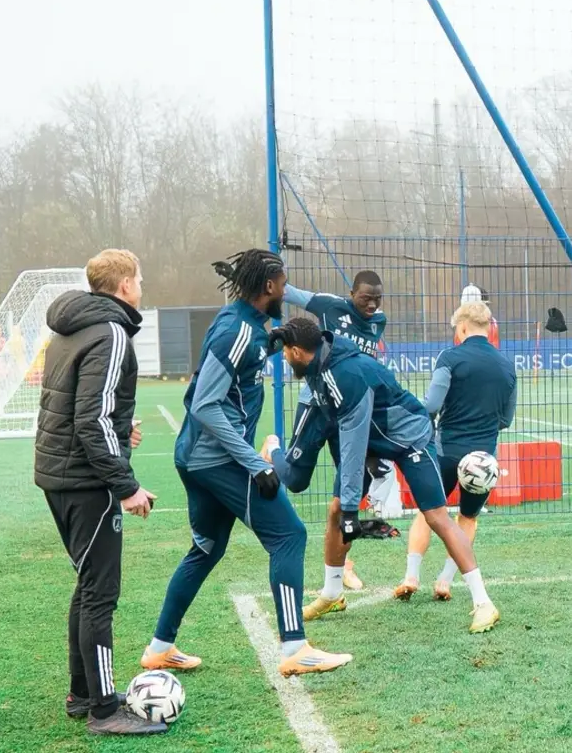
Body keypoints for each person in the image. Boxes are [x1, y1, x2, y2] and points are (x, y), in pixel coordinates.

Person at [145, 250, 351, 677]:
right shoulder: (237, 330)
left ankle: (159, 646)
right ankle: (295, 647)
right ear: (269, 287)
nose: (287, 289)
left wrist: (271, 345)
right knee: (289, 536)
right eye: (283, 282)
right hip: (217, 458)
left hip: (196, 458)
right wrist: (254, 464)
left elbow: (241, 364)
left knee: (206, 548)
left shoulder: (247, 325)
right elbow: (205, 404)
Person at [269, 316, 499, 633]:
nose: (282, 358)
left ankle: (484, 602)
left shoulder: (345, 374)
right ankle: (332, 593)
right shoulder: (320, 369)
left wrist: (353, 508)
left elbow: (352, 437)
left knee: (435, 515)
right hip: (372, 443)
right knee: (336, 510)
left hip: (410, 439)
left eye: (284, 352)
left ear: (296, 351)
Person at [34, 250, 164, 735]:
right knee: (100, 595)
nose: (143, 286)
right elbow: (89, 421)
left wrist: (119, 426)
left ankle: (81, 692)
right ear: (125, 283)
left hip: (59, 475)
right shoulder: (110, 331)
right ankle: (106, 710)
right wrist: (126, 486)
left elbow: (77, 409)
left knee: (87, 586)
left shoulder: (71, 328)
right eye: (140, 278)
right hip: (88, 482)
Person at [396, 301, 516, 601]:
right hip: (483, 458)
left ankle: (411, 575)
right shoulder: (507, 366)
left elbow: (433, 405)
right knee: (468, 517)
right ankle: (445, 581)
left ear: (462, 327)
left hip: (447, 451)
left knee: (429, 512)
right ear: (488, 328)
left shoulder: (450, 357)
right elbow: (506, 419)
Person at [283, 270, 388, 591]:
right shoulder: (330, 307)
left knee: (349, 491)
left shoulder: (378, 321)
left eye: (376, 299)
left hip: (350, 407)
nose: (371, 305)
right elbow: (289, 292)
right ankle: (272, 452)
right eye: (365, 298)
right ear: (352, 293)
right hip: (315, 404)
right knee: (296, 478)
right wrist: (254, 279)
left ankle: (342, 567)